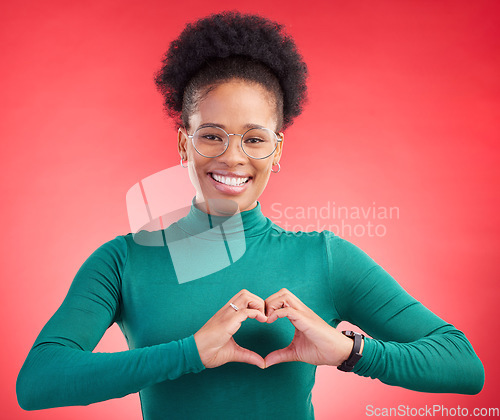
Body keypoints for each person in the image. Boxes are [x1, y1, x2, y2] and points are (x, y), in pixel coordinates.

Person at [16, 10, 484, 420]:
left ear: (277, 150)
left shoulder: (324, 258)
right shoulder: (123, 263)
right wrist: (190, 353)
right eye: (212, 135)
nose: (233, 157)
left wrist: (349, 351)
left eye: (255, 139)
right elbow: (38, 382)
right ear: (184, 143)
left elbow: (463, 366)